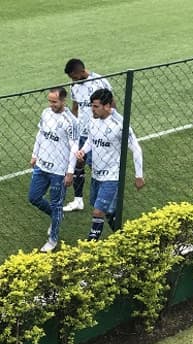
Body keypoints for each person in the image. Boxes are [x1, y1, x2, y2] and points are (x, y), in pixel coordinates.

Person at [75, 88, 144, 241]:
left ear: (107, 106)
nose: (92, 109)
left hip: (112, 176)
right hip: (96, 174)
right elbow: (91, 140)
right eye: (91, 105)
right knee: (108, 212)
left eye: (95, 106)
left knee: (98, 212)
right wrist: (83, 151)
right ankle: (126, 239)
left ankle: (90, 246)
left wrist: (139, 176)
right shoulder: (93, 120)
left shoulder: (120, 124)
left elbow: (136, 148)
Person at [28, 87, 75, 253]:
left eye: (54, 101)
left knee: (56, 204)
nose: (51, 104)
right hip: (42, 165)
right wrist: (35, 155)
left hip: (59, 171)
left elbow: (74, 147)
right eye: (50, 101)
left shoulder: (70, 122)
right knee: (33, 197)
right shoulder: (46, 113)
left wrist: (70, 172)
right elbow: (40, 135)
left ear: (63, 101)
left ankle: (53, 239)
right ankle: (57, 216)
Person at [63, 58, 114, 212]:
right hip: (81, 133)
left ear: (81, 71)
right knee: (78, 163)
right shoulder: (75, 86)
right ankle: (78, 200)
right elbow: (75, 107)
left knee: (97, 166)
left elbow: (112, 106)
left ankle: (108, 196)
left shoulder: (100, 82)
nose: (73, 80)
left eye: (74, 76)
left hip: (98, 133)